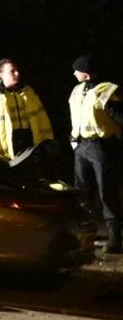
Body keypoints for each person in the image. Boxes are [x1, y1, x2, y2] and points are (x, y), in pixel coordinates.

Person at [69, 54, 123, 253]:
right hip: (81, 146)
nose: (74, 73)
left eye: (77, 70)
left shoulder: (105, 90)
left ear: (86, 73)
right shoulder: (77, 90)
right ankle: (86, 234)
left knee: (106, 192)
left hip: (101, 146)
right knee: (82, 192)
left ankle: (115, 236)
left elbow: (118, 116)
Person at [0, 58, 53, 159]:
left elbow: (43, 118)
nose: (17, 73)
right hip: (8, 147)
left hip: (31, 143)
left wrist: (48, 141)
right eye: (12, 71)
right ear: (1, 74)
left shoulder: (28, 91)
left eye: (17, 70)